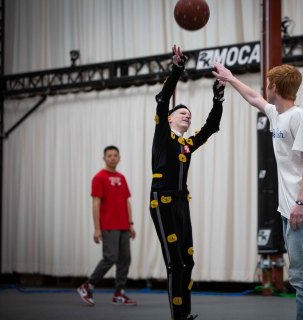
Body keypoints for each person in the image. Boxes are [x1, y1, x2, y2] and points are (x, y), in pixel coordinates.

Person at [213, 62, 303, 320]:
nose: (265, 87)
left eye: (268, 83)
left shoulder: (299, 117)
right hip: (291, 209)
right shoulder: (277, 114)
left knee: (302, 281)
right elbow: (253, 97)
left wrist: (301, 202)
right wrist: (230, 78)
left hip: (301, 211)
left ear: (274, 86)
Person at [149, 45, 225, 320]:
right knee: (175, 263)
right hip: (162, 200)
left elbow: (211, 128)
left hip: (181, 201)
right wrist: (177, 69)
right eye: (182, 112)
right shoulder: (162, 134)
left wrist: (218, 98)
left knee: (188, 261)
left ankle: (186, 314)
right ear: (169, 118)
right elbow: (162, 98)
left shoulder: (186, 144)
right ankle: (177, 317)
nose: (187, 115)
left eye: (189, 114)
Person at [77, 145, 137, 306]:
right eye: (109, 155)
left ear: (119, 158)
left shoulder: (122, 177)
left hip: (124, 225)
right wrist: (97, 228)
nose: (112, 158)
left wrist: (130, 223)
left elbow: (126, 201)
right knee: (110, 257)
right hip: (109, 225)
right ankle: (87, 286)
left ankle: (119, 293)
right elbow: (96, 203)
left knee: (125, 259)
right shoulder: (99, 177)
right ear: (104, 158)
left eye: (115, 155)